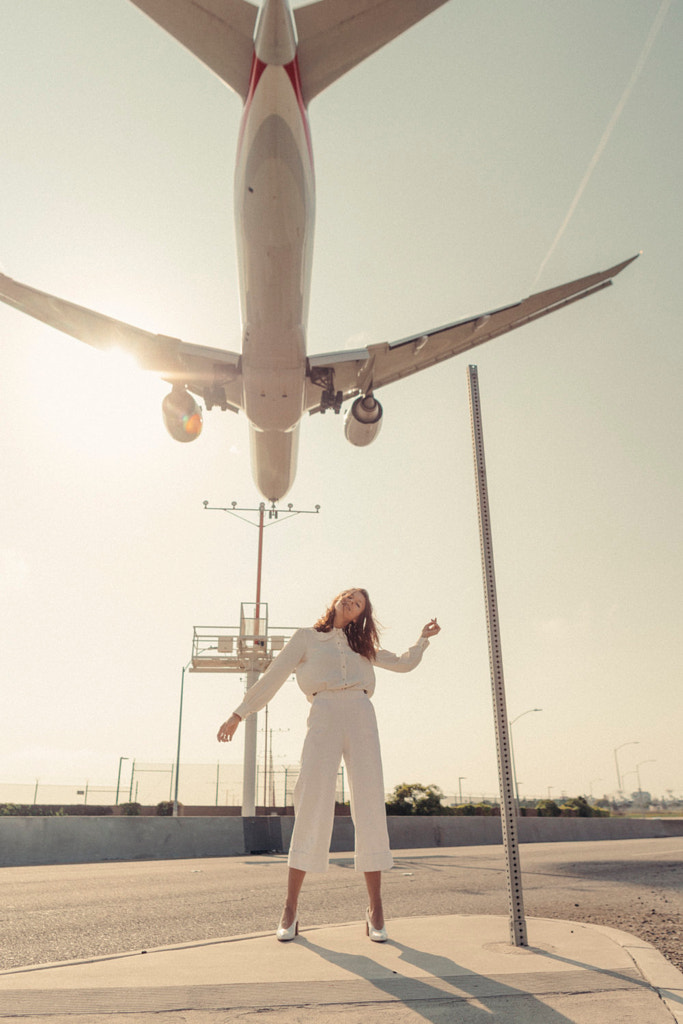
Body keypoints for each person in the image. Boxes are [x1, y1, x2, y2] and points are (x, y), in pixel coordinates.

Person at [217, 587, 441, 942]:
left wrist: (422, 640)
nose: (352, 601)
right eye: (349, 596)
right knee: (310, 801)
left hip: (361, 712)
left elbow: (402, 663)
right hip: (322, 711)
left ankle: (375, 910)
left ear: (359, 615)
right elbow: (273, 675)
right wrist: (238, 714)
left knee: (369, 803)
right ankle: (290, 910)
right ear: (336, 601)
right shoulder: (306, 638)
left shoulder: (362, 646)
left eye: (359, 603)